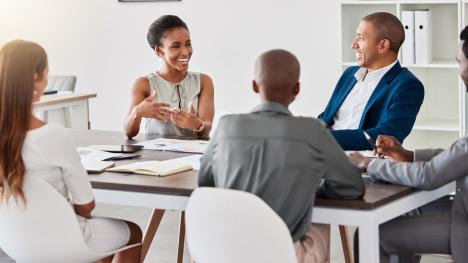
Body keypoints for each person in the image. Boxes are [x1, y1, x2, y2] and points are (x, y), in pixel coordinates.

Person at [199, 49, 365, 263]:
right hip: (282, 255)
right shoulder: (312, 130)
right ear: (297, 89)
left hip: (223, 252)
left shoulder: (226, 125)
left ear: (254, 86)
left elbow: (205, 184)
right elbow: (352, 187)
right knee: (316, 220)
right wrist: (309, 186)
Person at [0, 40, 142, 263]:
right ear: (36, 79)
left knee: (95, 247)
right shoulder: (52, 135)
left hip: (12, 243)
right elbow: (85, 205)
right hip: (60, 242)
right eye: (47, 72)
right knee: (132, 232)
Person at [349, 25, 468, 263]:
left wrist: (368, 165)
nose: (459, 71)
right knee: (406, 208)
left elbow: (429, 176)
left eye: (460, 62)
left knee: (373, 235)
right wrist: (408, 155)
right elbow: (458, 155)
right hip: (463, 207)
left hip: (464, 221)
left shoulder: (406, 84)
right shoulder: (351, 76)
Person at [319, 12, 424, 150]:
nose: (353, 44)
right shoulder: (350, 73)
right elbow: (326, 117)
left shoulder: (407, 85)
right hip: (321, 153)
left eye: (361, 38)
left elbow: (388, 135)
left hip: (359, 161)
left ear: (383, 46)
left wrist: (323, 139)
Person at [124, 15, 214, 138]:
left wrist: (197, 124)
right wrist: (137, 112)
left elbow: (207, 128)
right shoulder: (143, 84)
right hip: (157, 155)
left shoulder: (204, 81)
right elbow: (129, 133)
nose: (185, 52)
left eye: (188, 44)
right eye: (176, 46)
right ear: (159, 51)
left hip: (194, 155)